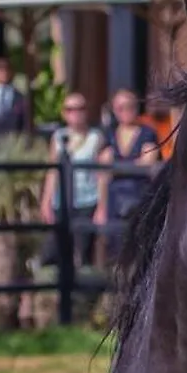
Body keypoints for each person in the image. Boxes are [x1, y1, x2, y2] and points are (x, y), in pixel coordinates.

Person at [39, 93, 109, 271]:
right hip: (60, 202)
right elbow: (52, 172)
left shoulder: (96, 137)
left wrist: (101, 207)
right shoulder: (58, 137)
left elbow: (102, 175)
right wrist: (46, 202)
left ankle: (82, 296)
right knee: (52, 251)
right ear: (64, 113)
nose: (75, 113)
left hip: (87, 200)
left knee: (83, 253)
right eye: (70, 109)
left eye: (80, 108)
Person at [106, 90, 159, 225]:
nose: (126, 111)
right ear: (114, 110)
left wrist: (116, 167)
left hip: (140, 196)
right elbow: (103, 168)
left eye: (130, 106)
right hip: (113, 199)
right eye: (120, 107)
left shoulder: (148, 132)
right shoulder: (109, 134)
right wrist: (134, 164)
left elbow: (147, 163)